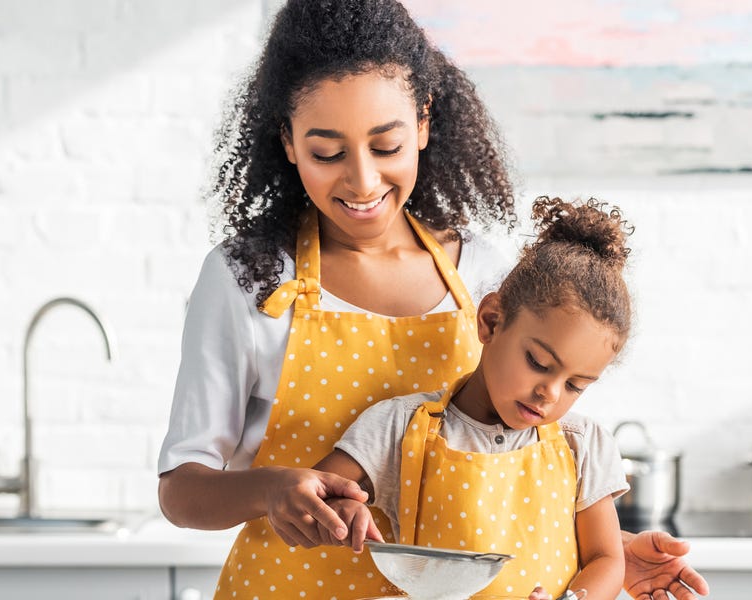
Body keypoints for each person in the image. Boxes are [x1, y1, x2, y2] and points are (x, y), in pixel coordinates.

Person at [156, 1, 710, 599]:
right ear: (288, 142)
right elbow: (182, 491)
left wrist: (607, 558)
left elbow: (515, 469)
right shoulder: (248, 279)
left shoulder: (482, 274)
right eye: (327, 152)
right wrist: (268, 490)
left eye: (387, 146)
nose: (363, 181)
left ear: (422, 123)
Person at [314, 196, 632, 600]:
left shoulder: (581, 444)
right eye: (538, 361)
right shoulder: (400, 426)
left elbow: (607, 558)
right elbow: (316, 494)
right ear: (491, 321)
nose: (550, 394)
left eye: (576, 386)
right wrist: (341, 511)